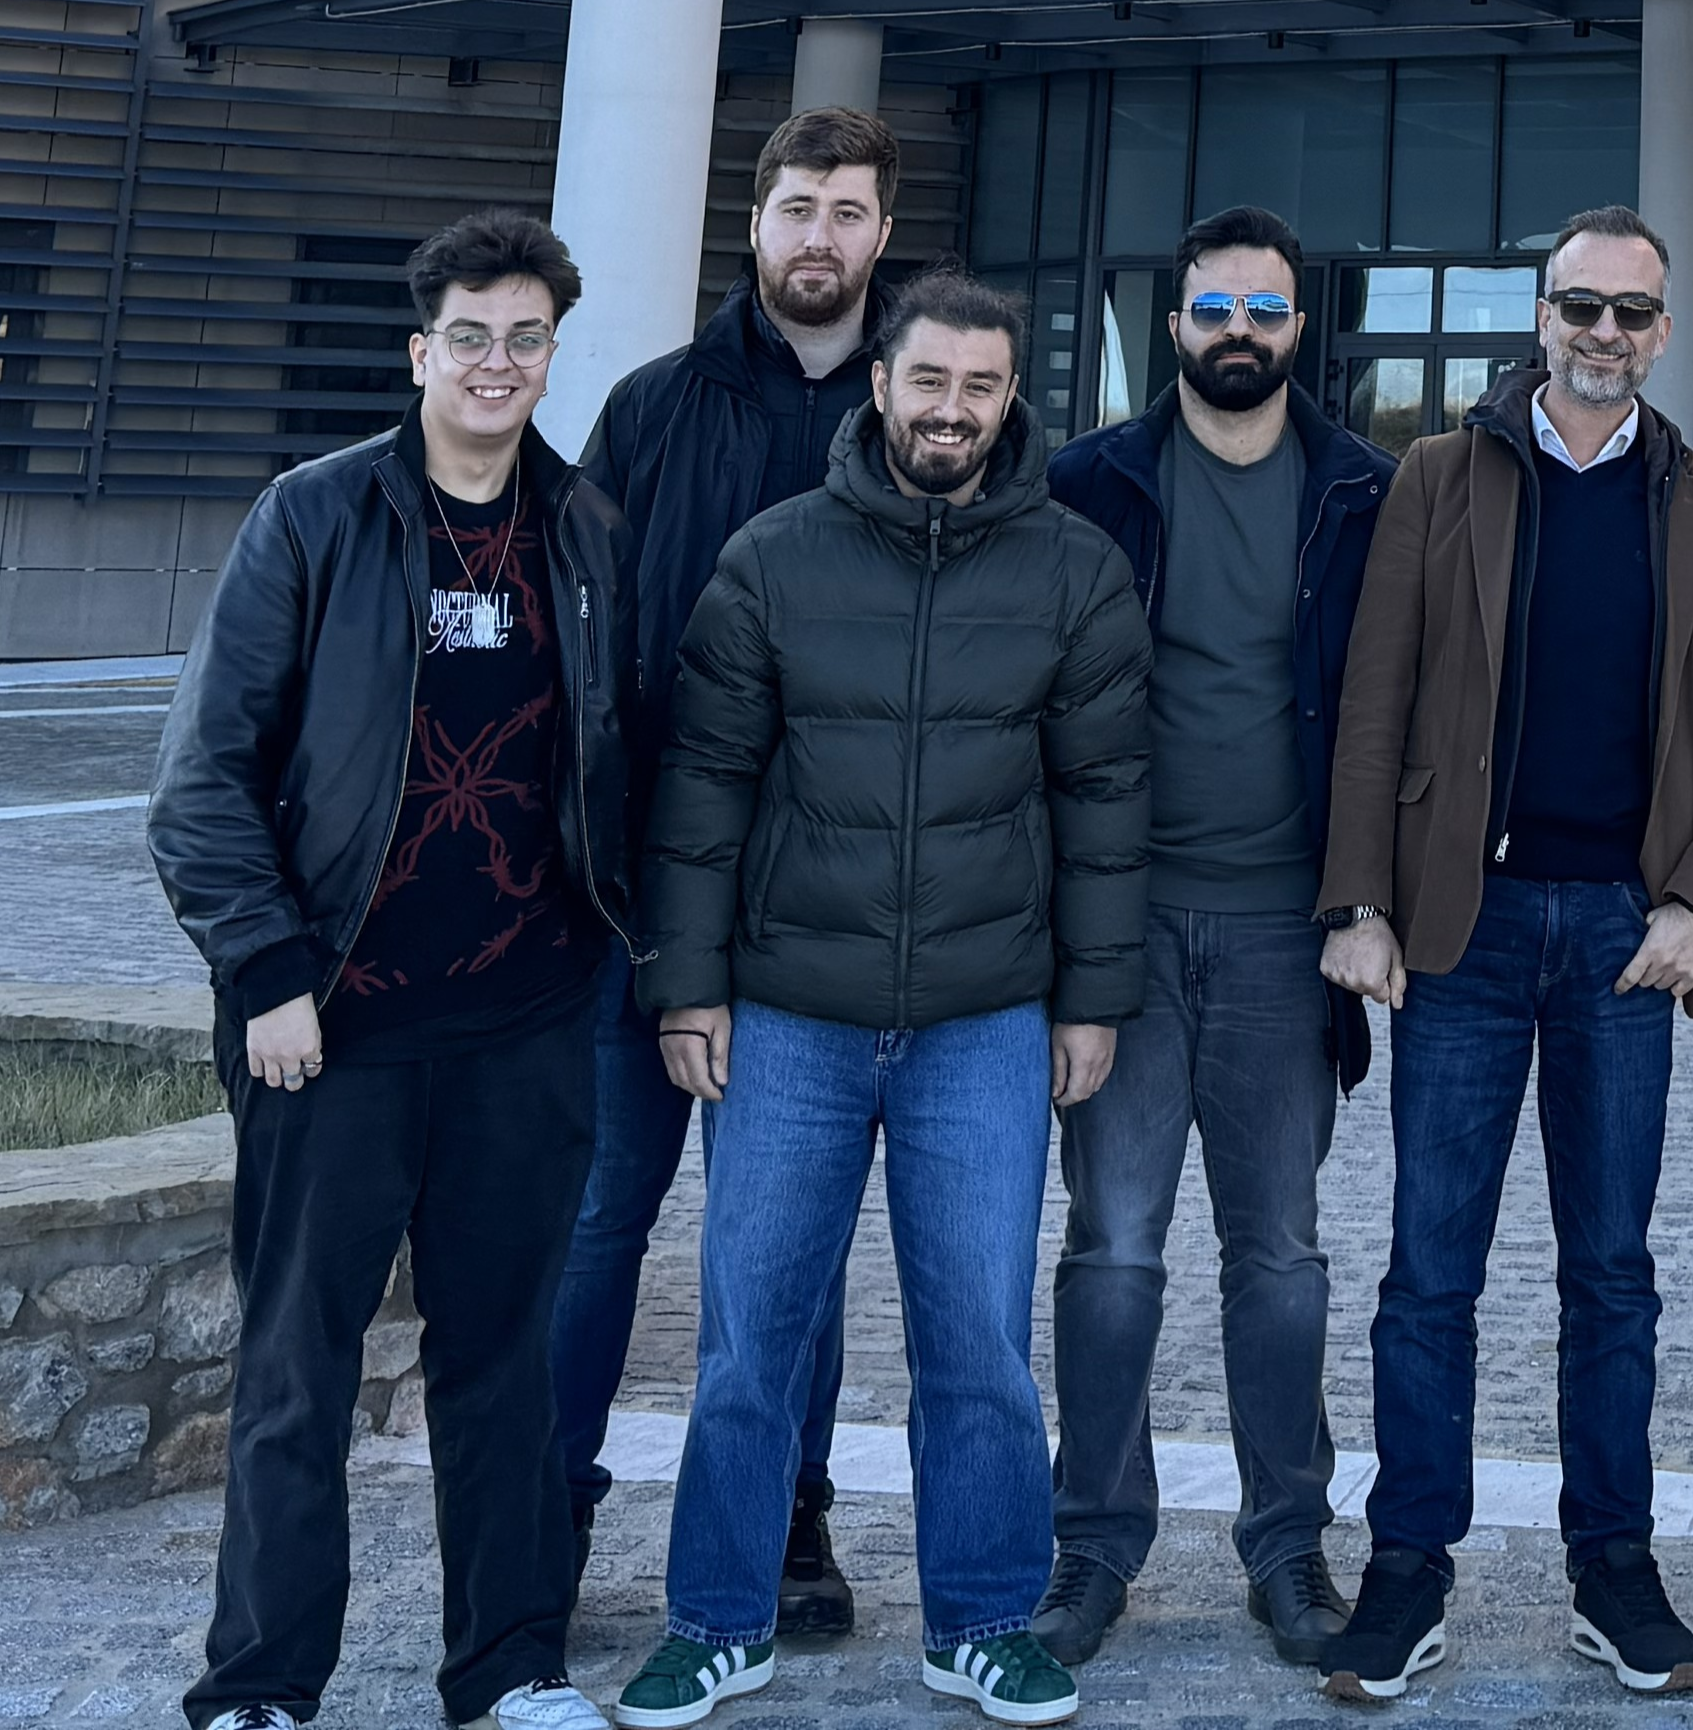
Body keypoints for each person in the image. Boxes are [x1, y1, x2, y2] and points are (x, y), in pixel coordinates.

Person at [612, 266, 1150, 1730]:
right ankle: (714, 1621)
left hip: (984, 1019)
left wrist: (1091, 999)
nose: (950, 411)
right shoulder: (772, 557)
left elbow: (1105, 802)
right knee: (750, 1339)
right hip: (788, 1012)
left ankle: (983, 1622)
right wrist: (687, 985)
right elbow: (704, 787)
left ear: (1011, 400)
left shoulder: (1076, 569)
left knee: (976, 1343)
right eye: (929, 382)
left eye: (980, 386)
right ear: (882, 386)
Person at [151, 210, 632, 1730]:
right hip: (333, 1026)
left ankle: (511, 1667)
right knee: (299, 1366)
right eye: (470, 337)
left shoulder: (586, 529)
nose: (498, 363)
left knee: (504, 1363)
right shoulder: (314, 518)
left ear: (551, 355)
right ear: (422, 351)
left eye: (525, 338)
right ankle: (261, 1681)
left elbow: (614, 763)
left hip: (526, 1022)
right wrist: (266, 971)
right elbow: (204, 781)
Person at [1311, 204, 1693, 1703]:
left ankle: (1613, 1569)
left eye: (1631, 313)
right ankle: (1407, 1566)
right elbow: (1374, 697)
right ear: (1541, 315)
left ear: (1662, 332)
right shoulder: (1439, 477)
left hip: (1624, 940)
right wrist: (1358, 902)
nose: (1603, 334)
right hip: (1462, 931)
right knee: (1427, 1272)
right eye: (1581, 306)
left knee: (1613, 1275)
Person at [1033, 204, 1396, 1669]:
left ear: (1298, 326)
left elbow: (1393, 714)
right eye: (1211, 309)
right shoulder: (1088, 484)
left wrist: (1366, 902)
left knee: (1282, 1254)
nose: (1237, 333)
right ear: (1172, 322)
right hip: (1119, 929)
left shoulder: (1363, 492)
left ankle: (1288, 1545)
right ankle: (1090, 1545)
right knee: (1112, 1248)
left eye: (1263, 309)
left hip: (1282, 937)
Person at [556, 105, 903, 1631]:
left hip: (813, 914)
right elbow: (575, 647)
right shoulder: (650, 409)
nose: (820, 236)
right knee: (593, 1227)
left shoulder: (918, 413)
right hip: (633, 905)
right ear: (754, 222)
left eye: (848, 211)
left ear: (883, 234)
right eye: (797, 207)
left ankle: (784, 1525)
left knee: (783, 1254)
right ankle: (544, 1514)